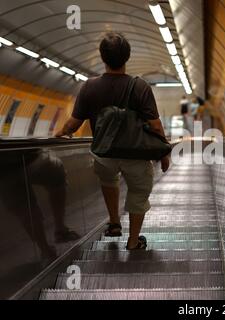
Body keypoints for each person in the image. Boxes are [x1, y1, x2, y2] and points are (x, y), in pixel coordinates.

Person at [55, 32, 170, 250]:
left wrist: (57, 135)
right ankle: (134, 241)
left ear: (102, 57)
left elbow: (72, 125)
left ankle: (114, 223)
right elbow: (155, 125)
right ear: (127, 57)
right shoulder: (140, 86)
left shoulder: (89, 86)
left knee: (109, 182)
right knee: (138, 192)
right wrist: (164, 153)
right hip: (136, 154)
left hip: (104, 154)